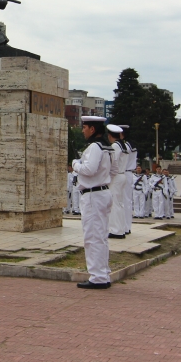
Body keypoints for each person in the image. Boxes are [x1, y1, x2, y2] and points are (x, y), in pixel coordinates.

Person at [72, 116, 113, 290]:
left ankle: (97, 277)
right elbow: (115, 169)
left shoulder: (95, 147)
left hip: (93, 195)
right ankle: (103, 272)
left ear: (93, 129)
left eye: (85, 127)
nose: (83, 130)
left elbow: (89, 169)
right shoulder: (107, 147)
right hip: (101, 192)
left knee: (93, 236)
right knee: (101, 236)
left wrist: (75, 164)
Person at [106, 125, 126, 239]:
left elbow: (112, 161)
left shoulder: (115, 146)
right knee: (120, 203)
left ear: (110, 135)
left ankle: (116, 230)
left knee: (114, 204)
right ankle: (121, 228)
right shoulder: (123, 145)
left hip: (117, 176)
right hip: (122, 175)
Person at [117, 125, 137, 234]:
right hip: (129, 173)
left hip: (125, 171)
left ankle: (124, 227)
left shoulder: (124, 146)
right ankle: (127, 226)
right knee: (127, 201)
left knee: (123, 201)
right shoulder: (131, 144)